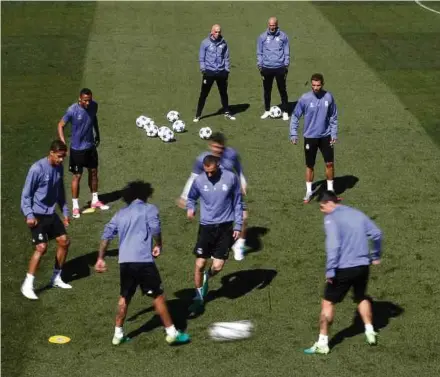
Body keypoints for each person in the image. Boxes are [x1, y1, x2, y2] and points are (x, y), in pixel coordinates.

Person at [94, 180, 190, 346]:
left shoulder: (120, 214)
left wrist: (100, 258)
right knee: (157, 295)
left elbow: (106, 236)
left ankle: (117, 334)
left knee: (124, 297)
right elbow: (155, 229)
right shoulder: (149, 209)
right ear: (146, 194)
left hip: (125, 263)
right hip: (143, 261)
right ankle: (172, 333)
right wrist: (158, 244)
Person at [304, 191, 382, 355]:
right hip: (363, 267)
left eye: (322, 206)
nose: (321, 210)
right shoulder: (357, 214)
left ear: (329, 203)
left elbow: (333, 246)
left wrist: (330, 270)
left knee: (328, 303)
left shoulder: (331, 219)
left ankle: (322, 343)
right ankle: (369, 331)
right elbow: (377, 233)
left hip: (343, 269)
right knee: (361, 297)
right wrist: (375, 255)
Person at [186, 155, 243, 314]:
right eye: (206, 172)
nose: (208, 175)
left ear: (218, 166)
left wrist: (238, 225)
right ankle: (198, 298)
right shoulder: (199, 181)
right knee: (199, 263)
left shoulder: (231, 178)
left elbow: (238, 202)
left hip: (225, 227)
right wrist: (191, 208)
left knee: (217, 266)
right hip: (206, 227)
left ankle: (206, 277)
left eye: (211, 172)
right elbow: (191, 198)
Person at [178, 132, 248, 260]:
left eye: (220, 148)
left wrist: (243, 182)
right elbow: (193, 177)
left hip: (231, 188)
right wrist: (184, 196)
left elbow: (238, 168)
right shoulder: (203, 159)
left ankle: (239, 245)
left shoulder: (231, 154)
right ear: (210, 146)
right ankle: (215, 244)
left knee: (244, 217)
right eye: (215, 147)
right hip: (214, 190)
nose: (218, 151)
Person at [20, 140, 72, 300]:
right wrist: (29, 215)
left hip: (50, 213)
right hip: (36, 214)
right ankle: (27, 285)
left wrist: (64, 210)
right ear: (51, 153)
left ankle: (56, 278)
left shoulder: (59, 167)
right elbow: (26, 195)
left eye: (63, 157)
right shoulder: (37, 169)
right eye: (59, 156)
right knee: (41, 247)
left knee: (64, 241)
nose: (62, 160)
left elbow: (60, 190)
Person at [58, 87, 109, 219]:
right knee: (77, 176)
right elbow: (60, 125)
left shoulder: (94, 106)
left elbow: (94, 119)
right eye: (85, 100)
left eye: (89, 100)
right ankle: (75, 207)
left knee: (93, 172)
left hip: (90, 147)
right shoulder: (72, 110)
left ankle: (95, 200)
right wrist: (63, 143)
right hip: (77, 150)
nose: (88, 103)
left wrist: (97, 133)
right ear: (80, 99)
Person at [290, 73, 338, 203]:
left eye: (318, 85)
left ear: (322, 84)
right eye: (313, 85)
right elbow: (295, 116)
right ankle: (309, 191)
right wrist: (293, 133)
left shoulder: (328, 97)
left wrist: (333, 133)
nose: (315, 88)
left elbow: (333, 116)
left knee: (329, 163)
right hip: (310, 137)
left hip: (326, 136)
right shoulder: (305, 99)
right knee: (310, 165)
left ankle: (330, 191)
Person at [194, 24, 236, 122]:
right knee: (204, 94)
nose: (218, 33)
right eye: (216, 32)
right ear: (212, 32)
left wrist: (226, 70)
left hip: (221, 73)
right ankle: (198, 114)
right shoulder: (205, 43)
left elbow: (226, 57)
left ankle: (226, 112)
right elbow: (202, 58)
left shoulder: (223, 43)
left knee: (223, 93)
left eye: (219, 32)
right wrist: (203, 69)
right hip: (209, 73)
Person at [257, 16, 290, 121]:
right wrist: (260, 65)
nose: (272, 27)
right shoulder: (262, 37)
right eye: (270, 25)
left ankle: (285, 111)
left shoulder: (283, 36)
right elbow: (259, 52)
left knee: (282, 90)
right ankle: (267, 110)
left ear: (277, 25)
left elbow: (286, 51)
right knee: (267, 90)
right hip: (266, 68)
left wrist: (286, 64)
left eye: (274, 25)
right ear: (268, 25)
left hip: (280, 67)